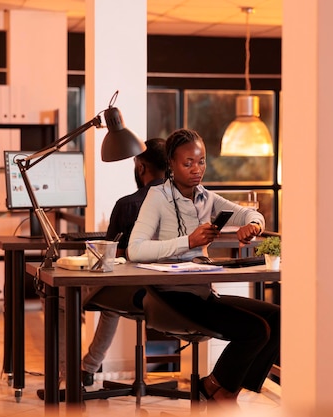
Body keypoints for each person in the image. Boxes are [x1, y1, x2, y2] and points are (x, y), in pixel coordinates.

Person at [128, 128, 280, 404]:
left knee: (278, 318)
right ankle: (217, 390)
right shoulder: (157, 198)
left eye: (201, 161)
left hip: (202, 294)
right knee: (256, 330)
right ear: (171, 165)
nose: (197, 169)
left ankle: (222, 389)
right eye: (188, 163)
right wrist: (188, 241)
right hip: (171, 298)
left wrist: (254, 225)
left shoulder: (205, 197)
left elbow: (249, 212)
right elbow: (135, 250)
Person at [80, 137, 167, 385]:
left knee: (63, 295)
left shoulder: (127, 205)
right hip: (170, 294)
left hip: (135, 294)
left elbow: (107, 256)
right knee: (111, 294)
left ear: (140, 166)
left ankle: (72, 374)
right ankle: (88, 367)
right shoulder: (184, 203)